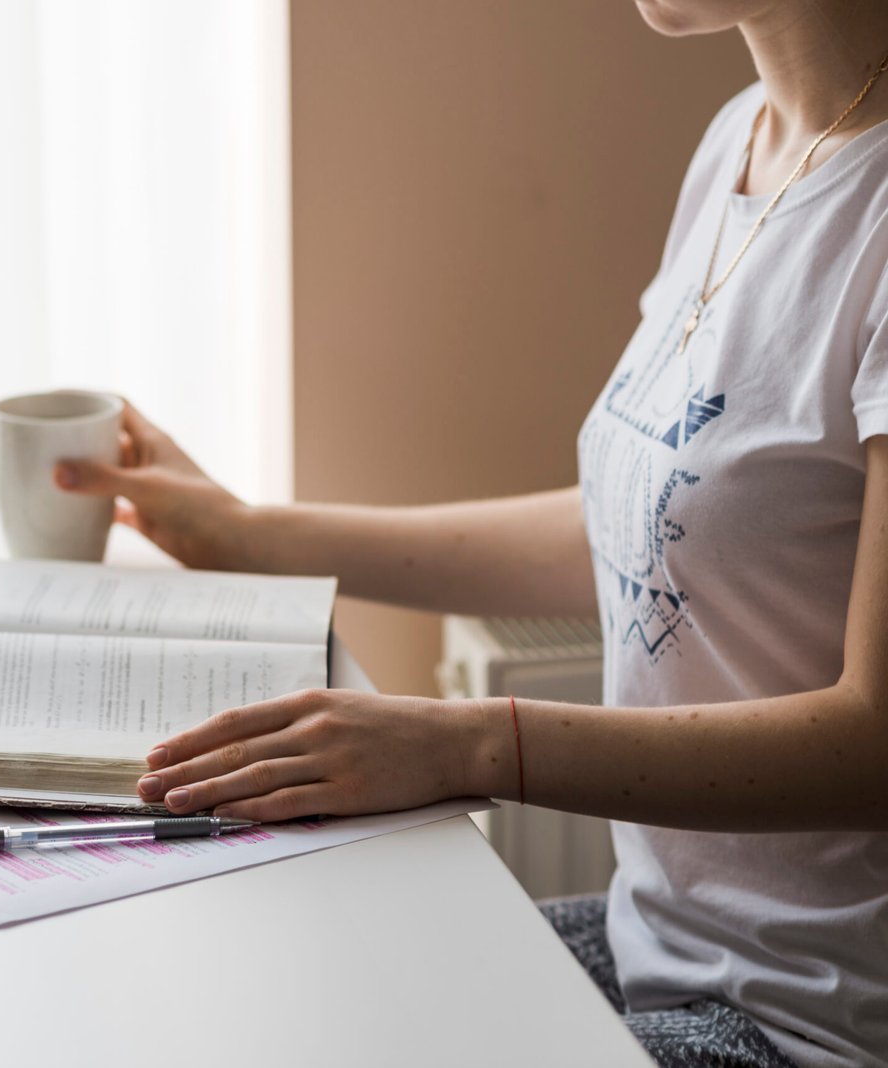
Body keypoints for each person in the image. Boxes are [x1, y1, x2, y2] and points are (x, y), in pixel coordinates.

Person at [54, 3, 888, 1066]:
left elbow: (875, 743)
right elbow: (647, 530)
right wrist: (247, 534)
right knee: (252, 985)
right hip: (661, 948)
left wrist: (465, 742)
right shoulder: (744, 139)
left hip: (809, 1022)